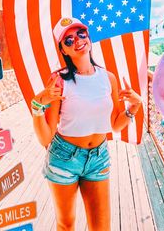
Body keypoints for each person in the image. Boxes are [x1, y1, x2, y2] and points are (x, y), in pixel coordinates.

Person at [31, 17, 142, 231]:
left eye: (81, 34)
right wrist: (37, 105)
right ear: (63, 50)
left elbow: (115, 125)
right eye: (69, 40)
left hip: (98, 158)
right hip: (64, 158)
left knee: (101, 227)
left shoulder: (108, 78)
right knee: (66, 225)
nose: (77, 41)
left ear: (88, 38)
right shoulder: (59, 80)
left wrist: (132, 109)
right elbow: (45, 137)